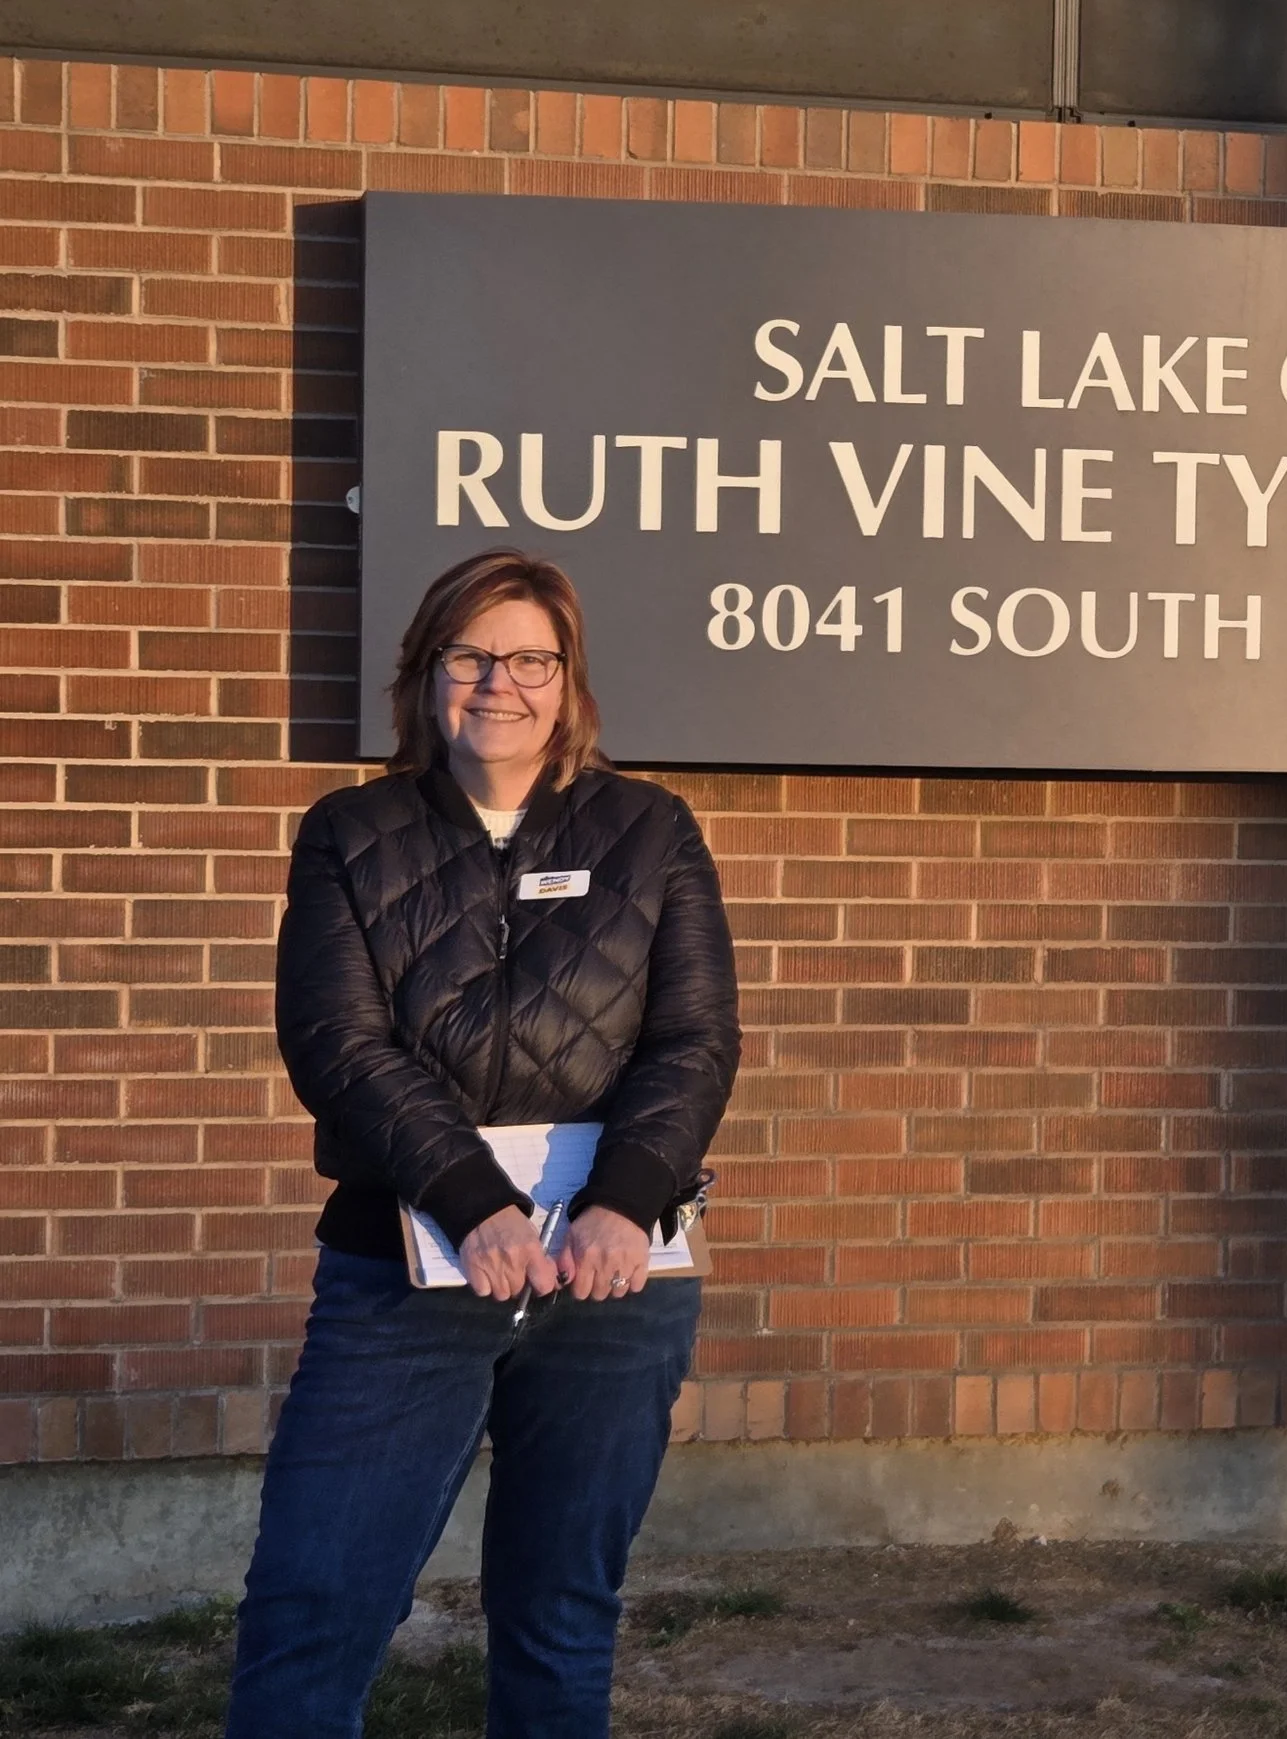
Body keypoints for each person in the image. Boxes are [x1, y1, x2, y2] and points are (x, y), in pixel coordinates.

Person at [226, 549, 740, 1738]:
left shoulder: (649, 831)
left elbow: (695, 1042)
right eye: (470, 655)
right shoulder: (352, 834)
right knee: (315, 1606)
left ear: (567, 682)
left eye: (529, 659)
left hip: (615, 1281)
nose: (497, 683)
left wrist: (628, 1199)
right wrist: (470, 1197)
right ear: (427, 674)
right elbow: (337, 1044)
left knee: (561, 1616)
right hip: (408, 1273)